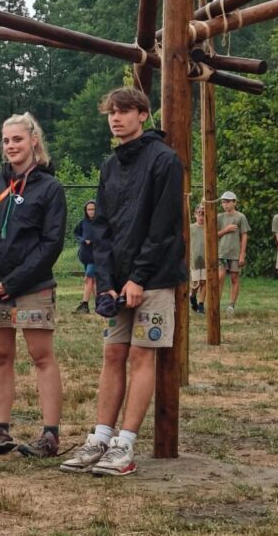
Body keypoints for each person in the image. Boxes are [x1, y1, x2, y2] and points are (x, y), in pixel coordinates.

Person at [59, 87, 186, 477]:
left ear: (143, 115)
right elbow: (100, 228)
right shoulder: (110, 166)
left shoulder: (164, 160)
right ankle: (100, 439)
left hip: (154, 279)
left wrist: (138, 278)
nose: (116, 118)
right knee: (113, 354)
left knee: (140, 356)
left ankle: (125, 445)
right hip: (117, 282)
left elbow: (164, 227)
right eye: (111, 112)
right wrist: (107, 282)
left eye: (124, 111)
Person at [0, 113, 66, 458]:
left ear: (33, 140)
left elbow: (51, 244)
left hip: (32, 287)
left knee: (41, 356)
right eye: (6, 140)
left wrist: (11, 283)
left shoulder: (50, 188)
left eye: (18, 139)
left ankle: (50, 435)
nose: (11, 146)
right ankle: (0, 430)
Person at [216, 191, 249, 314]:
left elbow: (244, 235)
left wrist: (242, 254)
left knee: (234, 278)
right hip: (221, 253)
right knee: (220, 278)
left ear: (234, 202)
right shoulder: (219, 217)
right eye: (223, 202)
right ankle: (216, 304)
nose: (225, 204)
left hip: (235, 253)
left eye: (228, 202)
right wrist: (226, 229)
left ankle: (231, 305)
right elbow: (214, 234)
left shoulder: (240, 217)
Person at [74, 200, 97, 313]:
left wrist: (95, 241)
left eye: (93, 209)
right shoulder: (82, 223)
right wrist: (83, 240)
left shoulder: (101, 223)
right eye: (89, 209)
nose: (91, 211)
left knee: (88, 278)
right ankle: (100, 304)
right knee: (93, 281)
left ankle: (85, 305)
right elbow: (76, 234)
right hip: (85, 256)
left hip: (96, 256)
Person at [189, 204, 207, 315]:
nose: (201, 217)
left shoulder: (208, 228)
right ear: (195, 215)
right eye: (199, 214)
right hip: (194, 260)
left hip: (205, 260)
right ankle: (192, 296)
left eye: (204, 214)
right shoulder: (191, 228)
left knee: (204, 282)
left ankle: (201, 305)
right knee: (195, 284)